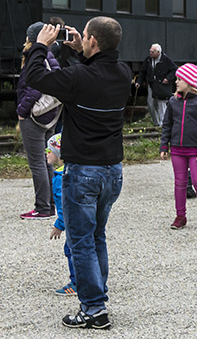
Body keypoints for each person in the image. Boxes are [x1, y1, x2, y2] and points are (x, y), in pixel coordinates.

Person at [25, 18, 132, 329]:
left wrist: (41, 46)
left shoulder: (78, 77)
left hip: (83, 172)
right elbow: (91, 72)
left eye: (84, 36)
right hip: (112, 171)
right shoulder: (124, 73)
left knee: (81, 242)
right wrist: (77, 50)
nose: (81, 39)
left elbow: (35, 76)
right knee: (97, 237)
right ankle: (97, 296)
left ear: (94, 41)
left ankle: (94, 309)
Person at [160, 64, 197, 229]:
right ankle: (180, 216)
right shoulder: (173, 101)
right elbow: (167, 124)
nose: (176, 82)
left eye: (180, 79)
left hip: (196, 151)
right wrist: (164, 146)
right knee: (180, 183)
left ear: (191, 82)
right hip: (177, 149)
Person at [16, 22, 61, 220]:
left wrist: (21, 111)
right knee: (48, 161)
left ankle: (42, 207)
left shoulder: (36, 58)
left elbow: (33, 88)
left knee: (38, 163)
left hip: (34, 117)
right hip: (49, 116)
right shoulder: (50, 57)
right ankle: (51, 205)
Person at [45, 133, 76, 296]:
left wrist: (59, 225)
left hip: (72, 221)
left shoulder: (60, 178)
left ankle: (76, 283)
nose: (46, 154)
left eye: (48, 150)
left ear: (58, 153)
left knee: (71, 249)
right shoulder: (73, 170)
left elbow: (66, 205)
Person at [135, 43, 177, 127]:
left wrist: (168, 79)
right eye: (150, 51)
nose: (150, 53)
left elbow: (174, 70)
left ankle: (163, 124)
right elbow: (143, 71)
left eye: (152, 52)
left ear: (158, 52)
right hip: (152, 84)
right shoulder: (148, 60)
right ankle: (156, 123)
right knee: (150, 104)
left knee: (161, 105)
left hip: (162, 86)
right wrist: (138, 81)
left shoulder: (166, 60)